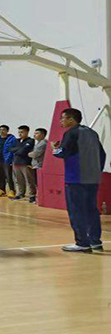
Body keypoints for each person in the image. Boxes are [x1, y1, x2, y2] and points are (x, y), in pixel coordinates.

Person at [52, 108, 106, 253]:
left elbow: (62, 152)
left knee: (76, 211)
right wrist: (97, 171)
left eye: (63, 118)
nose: (61, 121)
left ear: (71, 119)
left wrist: (54, 149)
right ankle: (95, 242)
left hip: (76, 178)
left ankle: (82, 243)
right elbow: (102, 154)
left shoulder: (71, 133)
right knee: (91, 210)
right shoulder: (92, 133)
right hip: (93, 178)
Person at [9, 125, 36, 201]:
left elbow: (23, 151)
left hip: (25, 163)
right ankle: (20, 194)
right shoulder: (16, 141)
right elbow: (10, 149)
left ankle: (32, 195)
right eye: (19, 132)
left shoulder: (30, 141)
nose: (20, 134)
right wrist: (19, 149)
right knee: (18, 180)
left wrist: (17, 150)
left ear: (27, 132)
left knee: (29, 180)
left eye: (22, 132)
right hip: (16, 162)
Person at [0, 125, 17, 198]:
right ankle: (2, 190)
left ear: (7, 131)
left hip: (7, 160)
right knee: (0, 176)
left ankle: (12, 190)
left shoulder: (12, 139)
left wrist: (12, 159)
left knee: (9, 176)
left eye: (3, 130)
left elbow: (14, 150)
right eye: (0, 129)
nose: (2, 131)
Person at [28, 128, 48, 203]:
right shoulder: (39, 143)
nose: (34, 135)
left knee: (39, 183)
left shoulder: (43, 143)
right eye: (34, 133)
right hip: (36, 165)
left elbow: (35, 154)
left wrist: (29, 154)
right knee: (36, 183)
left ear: (42, 134)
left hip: (39, 166)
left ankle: (40, 199)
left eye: (37, 133)